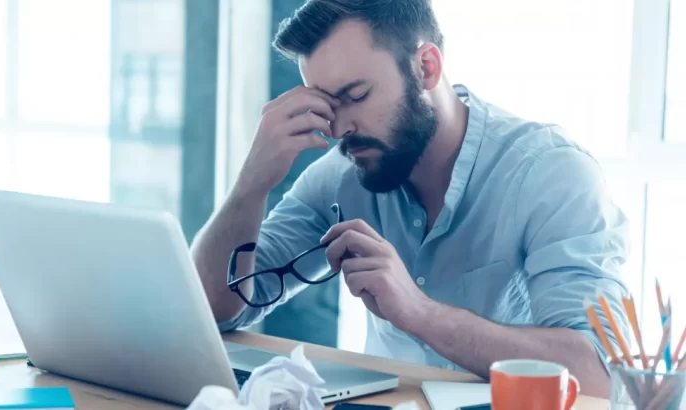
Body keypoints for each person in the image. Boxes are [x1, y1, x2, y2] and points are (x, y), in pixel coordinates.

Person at [190, 0, 630, 398]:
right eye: (326, 106)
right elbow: (215, 309)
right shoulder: (341, 177)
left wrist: (420, 312)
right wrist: (251, 185)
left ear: (426, 67)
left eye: (356, 96)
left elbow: (599, 374)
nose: (340, 127)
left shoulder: (551, 175)